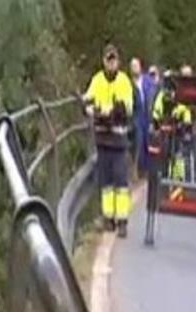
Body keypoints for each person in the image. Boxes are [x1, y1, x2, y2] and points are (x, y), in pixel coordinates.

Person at [83, 44, 135, 238]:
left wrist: (109, 112)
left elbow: (126, 109)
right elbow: (87, 101)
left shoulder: (124, 81)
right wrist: (94, 109)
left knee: (121, 183)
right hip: (102, 140)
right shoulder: (97, 80)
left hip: (118, 140)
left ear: (118, 61)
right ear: (103, 61)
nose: (111, 63)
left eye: (114, 60)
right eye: (108, 59)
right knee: (105, 183)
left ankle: (122, 221)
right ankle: (108, 218)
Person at [151, 75, 193, 181]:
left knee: (178, 157)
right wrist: (157, 125)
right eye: (167, 89)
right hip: (165, 132)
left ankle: (179, 180)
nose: (169, 93)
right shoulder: (161, 96)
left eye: (171, 90)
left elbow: (186, 112)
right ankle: (163, 178)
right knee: (164, 157)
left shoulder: (180, 97)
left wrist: (185, 127)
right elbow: (156, 112)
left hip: (177, 132)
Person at [130, 58, 159, 178]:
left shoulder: (147, 80)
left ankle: (149, 170)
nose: (135, 68)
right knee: (138, 140)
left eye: (136, 66)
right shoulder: (129, 83)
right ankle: (139, 170)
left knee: (149, 141)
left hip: (148, 114)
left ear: (140, 67)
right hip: (137, 114)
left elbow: (156, 90)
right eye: (132, 66)